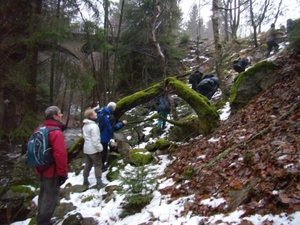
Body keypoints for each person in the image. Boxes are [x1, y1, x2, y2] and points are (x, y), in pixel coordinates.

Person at [36, 106, 68, 225]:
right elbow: (60, 155)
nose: (61, 115)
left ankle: (41, 219)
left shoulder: (40, 128)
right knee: (50, 199)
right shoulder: (56, 132)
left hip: (41, 169)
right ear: (54, 116)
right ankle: (43, 222)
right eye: (59, 113)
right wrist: (63, 173)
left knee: (43, 196)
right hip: (52, 171)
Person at [95, 102, 127, 172]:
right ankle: (102, 166)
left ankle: (97, 165)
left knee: (98, 151)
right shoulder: (110, 117)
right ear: (114, 109)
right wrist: (122, 123)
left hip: (96, 135)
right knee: (104, 151)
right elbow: (112, 129)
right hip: (104, 136)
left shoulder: (100, 111)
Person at [82, 108, 106, 188]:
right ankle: (99, 182)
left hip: (86, 149)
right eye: (94, 113)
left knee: (88, 165)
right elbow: (96, 140)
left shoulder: (85, 126)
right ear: (91, 116)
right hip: (93, 149)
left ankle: (85, 180)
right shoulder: (94, 126)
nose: (96, 114)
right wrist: (100, 149)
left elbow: (84, 137)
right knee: (98, 165)